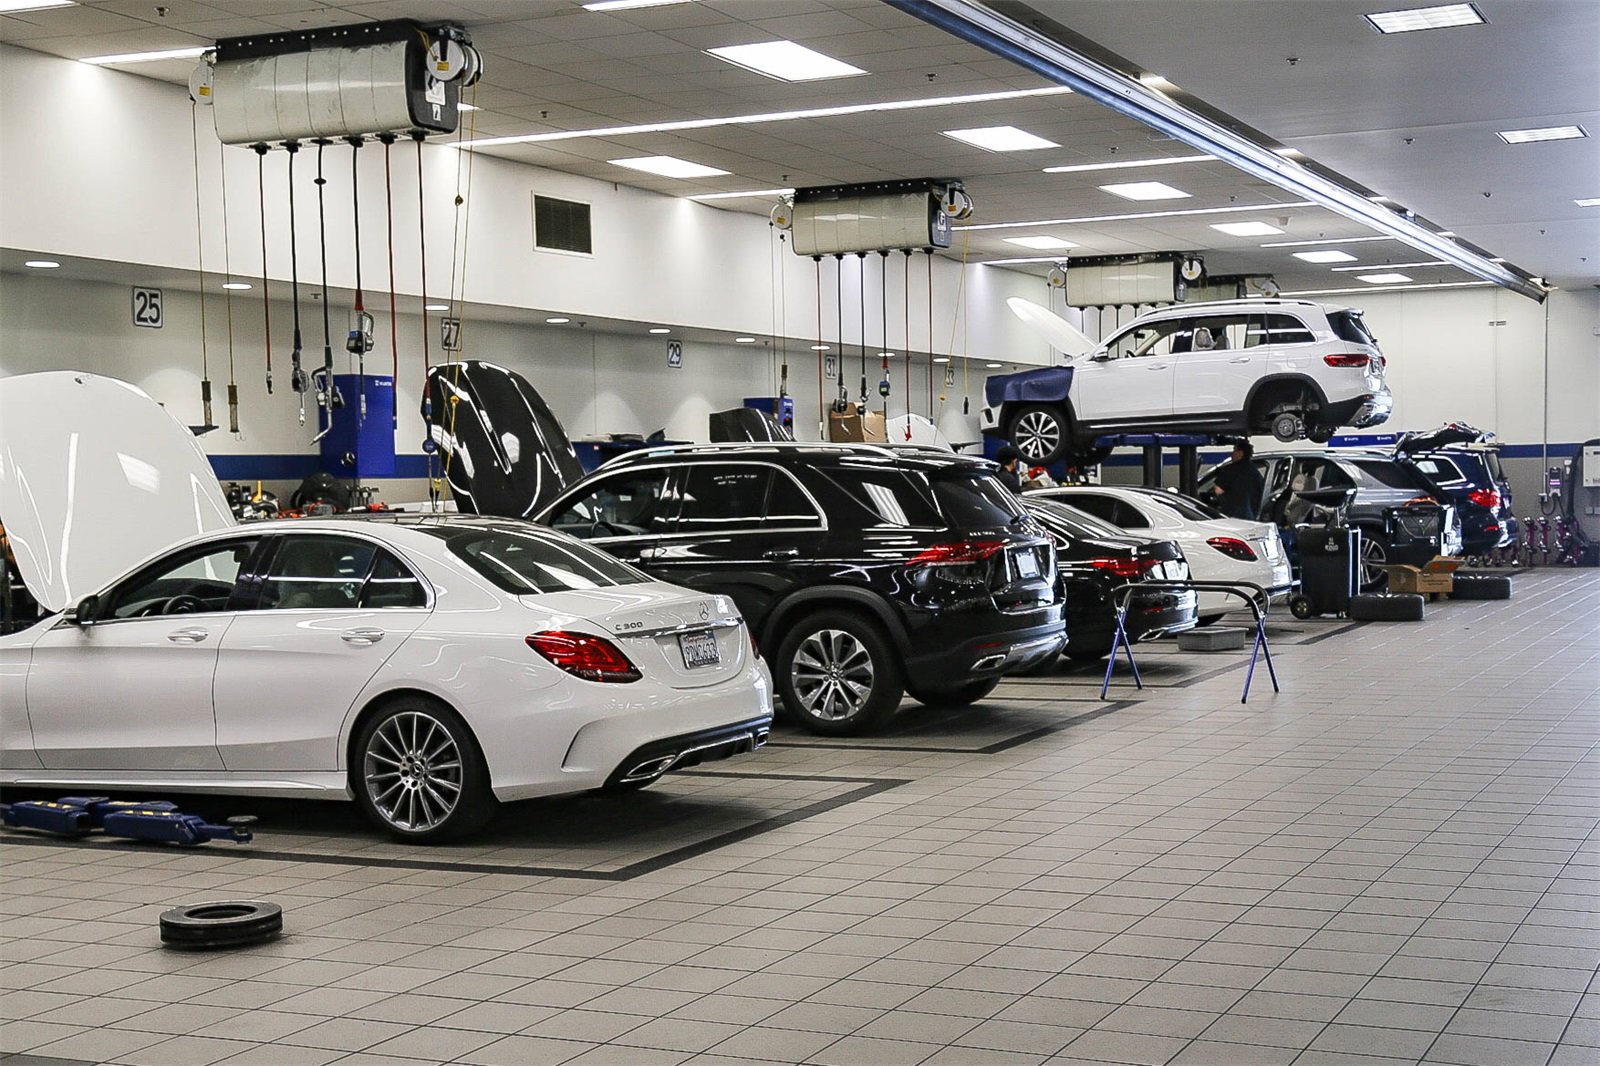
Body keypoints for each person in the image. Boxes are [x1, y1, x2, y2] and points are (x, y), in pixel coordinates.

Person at [1209, 440, 1265, 520]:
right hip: (1251, 517)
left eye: (1234, 450)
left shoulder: (1230, 470)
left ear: (1240, 453)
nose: (1232, 454)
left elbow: (1218, 490)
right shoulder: (1255, 472)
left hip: (1231, 516)